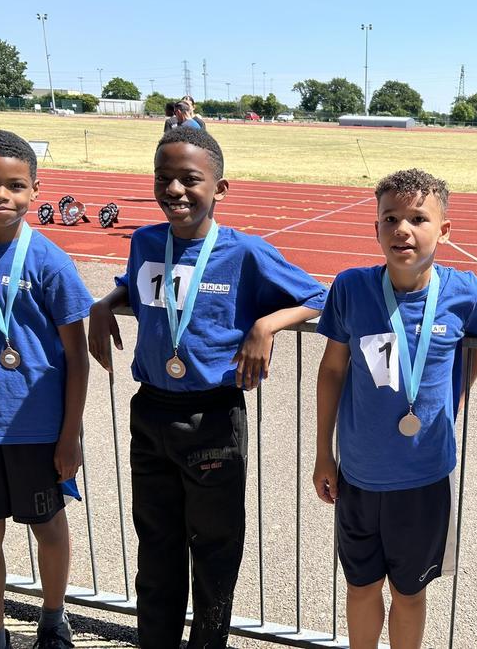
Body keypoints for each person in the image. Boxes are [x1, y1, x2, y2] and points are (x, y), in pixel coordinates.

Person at [88, 126, 326, 648]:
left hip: (213, 417)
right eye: (163, 178)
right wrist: (104, 303)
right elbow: (135, 283)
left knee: (215, 550)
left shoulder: (245, 252)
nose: (174, 189)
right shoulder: (146, 241)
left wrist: (266, 325)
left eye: (190, 179)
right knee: (156, 546)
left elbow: (317, 297)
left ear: (219, 188)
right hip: (151, 412)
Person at [314, 168, 477, 648]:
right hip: (359, 474)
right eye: (390, 218)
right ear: (375, 227)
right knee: (360, 586)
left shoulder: (465, 292)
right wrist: (323, 453)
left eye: (418, 218)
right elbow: (332, 370)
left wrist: (451, 403)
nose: (403, 229)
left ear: (444, 230)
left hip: (423, 477)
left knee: (410, 593)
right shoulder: (351, 288)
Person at [0, 130, 94, 649]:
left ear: (34, 190)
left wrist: (70, 435)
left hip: (37, 429)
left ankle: (53, 619)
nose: (0, 195)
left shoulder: (49, 262)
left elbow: (76, 355)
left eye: (14, 186)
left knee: (47, 527)